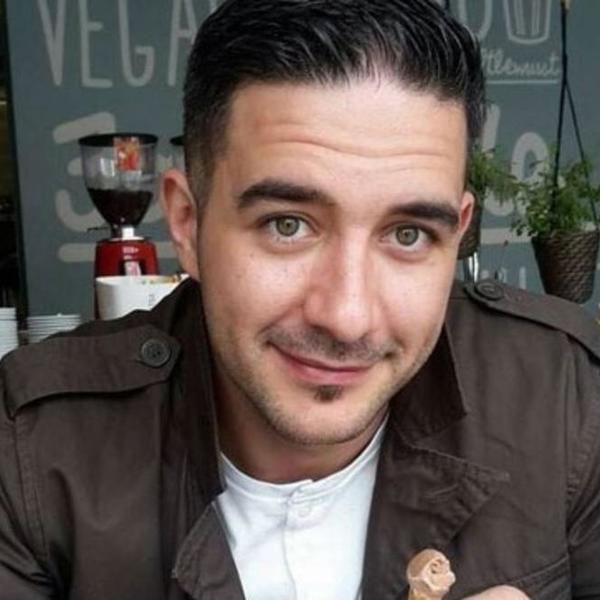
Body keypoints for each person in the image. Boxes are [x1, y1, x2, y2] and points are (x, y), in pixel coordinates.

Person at [1, 0, 599, 598]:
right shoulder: (30, 448)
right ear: (187, 223)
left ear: (459, 232)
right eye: (287, 225)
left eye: (409, 235)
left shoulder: (567, 398)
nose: (347, 318)